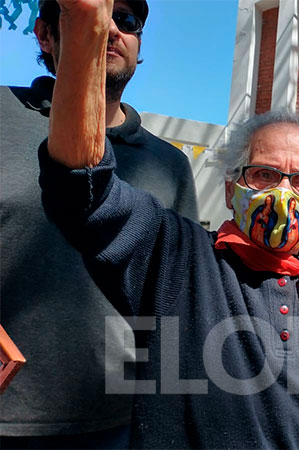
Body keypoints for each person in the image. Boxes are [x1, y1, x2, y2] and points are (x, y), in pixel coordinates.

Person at [36, 2, 299, 449]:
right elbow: (82, 186)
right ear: (232, 188)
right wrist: (83, 28)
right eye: (265, 174)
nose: (283, 193)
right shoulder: (175, 254)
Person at [0, 0, 197, 447]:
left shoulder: (170, 164)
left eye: (126, 20)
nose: (110, 29)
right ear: (45, 34)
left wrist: (170, 411)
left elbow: (176, 295)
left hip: (119, 423)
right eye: (92, 15)